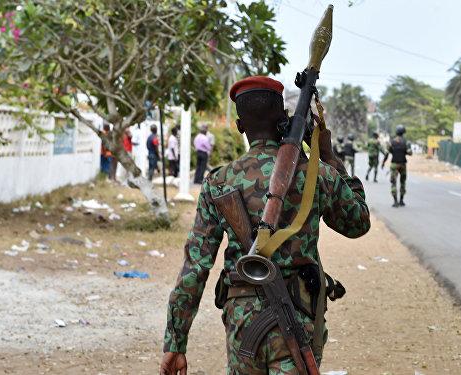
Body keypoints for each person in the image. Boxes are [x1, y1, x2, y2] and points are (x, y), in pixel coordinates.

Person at [159, 76, 370, 375]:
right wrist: (329, 156)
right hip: (299, 319)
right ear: (283, 118)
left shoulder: (219, 182)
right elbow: (358, 222)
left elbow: (195, 269)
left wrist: (175, 343)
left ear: (240, 126)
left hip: (242, 323)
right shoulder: (319, 174)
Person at [382, 124, 412, 207]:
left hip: (394, 164)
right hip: (403, 164)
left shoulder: (392, 142)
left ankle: (395, 201)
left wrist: (383, 162)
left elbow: (386, 154)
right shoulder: (406, 142)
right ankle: (401, 201)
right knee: (402, 182)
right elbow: (410, 153)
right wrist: (404, 151)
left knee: (393, 183)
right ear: (403, 132)